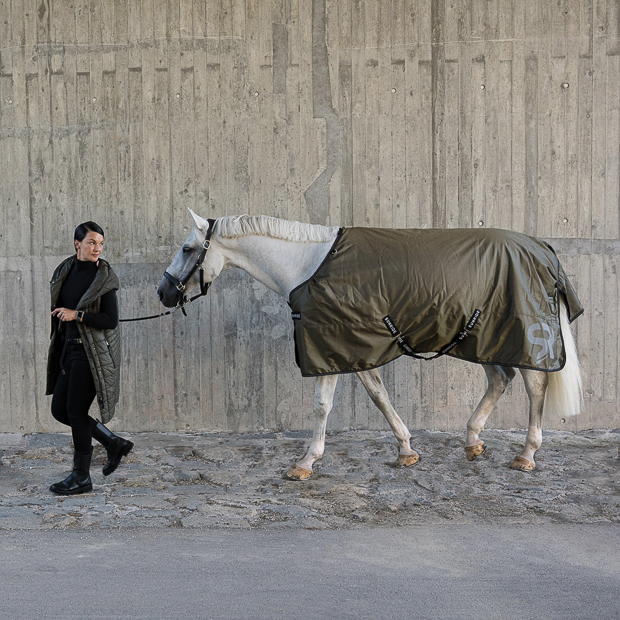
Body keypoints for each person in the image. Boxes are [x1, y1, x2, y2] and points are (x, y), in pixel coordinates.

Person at [46, 221, 133, 495]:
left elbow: (110, 321)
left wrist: (77, 314)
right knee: (60, 410)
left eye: (101, 243)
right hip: (67, 350)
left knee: (75, 411)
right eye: (92, 242)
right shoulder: (65, 270)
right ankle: (113, 443)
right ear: (77, 244)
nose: (98, 248)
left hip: (90, 354)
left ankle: (81, 476)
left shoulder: (104, 278)